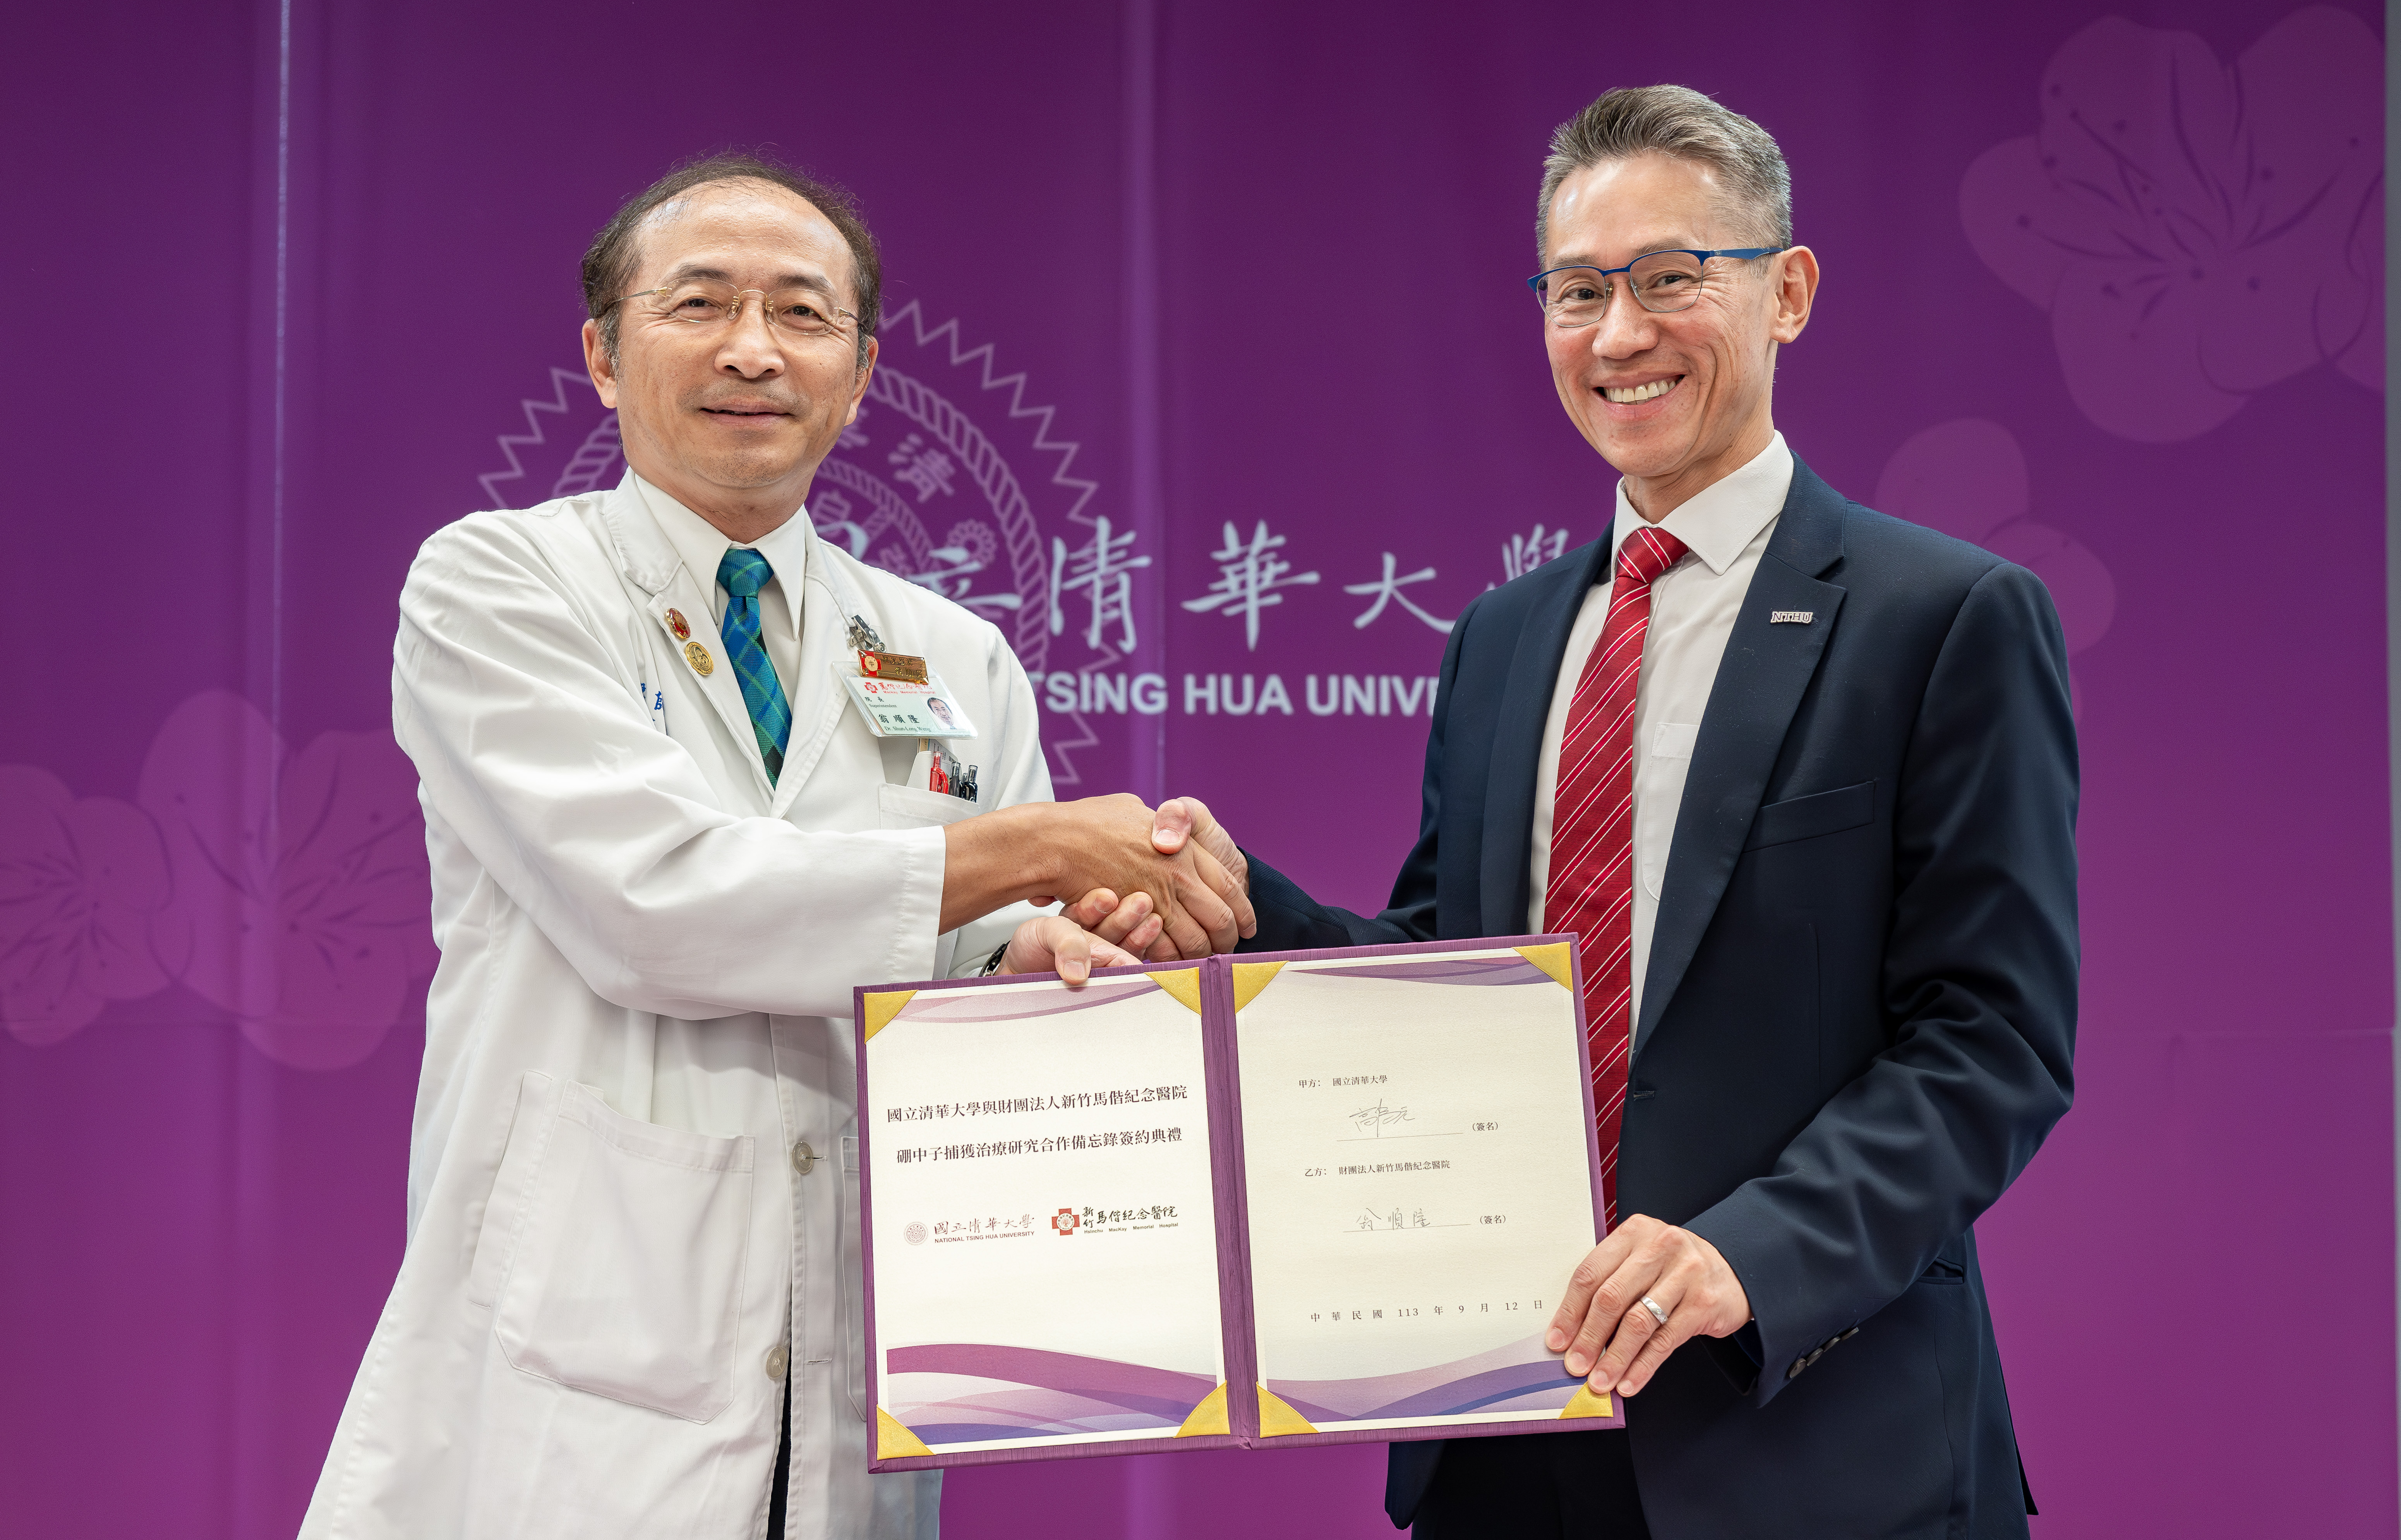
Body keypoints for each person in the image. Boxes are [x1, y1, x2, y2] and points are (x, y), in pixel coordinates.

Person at [1156, 86, 2077, 1537]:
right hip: (1504, 1426)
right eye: (1576, 291)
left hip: (1811, 1437)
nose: (1617, 335)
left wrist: (1747, 1255)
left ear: (1787, 291)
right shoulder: (1505, 638)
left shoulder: (1943, 616)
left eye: (1667, 280)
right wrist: (1231, 907)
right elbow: (1442, 974)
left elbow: (1992, 1039)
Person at [298, 154, 1251, 1540]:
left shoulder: (953, 652)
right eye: (700, 303)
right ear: (603, 355)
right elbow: (654, 906)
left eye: (803, 315)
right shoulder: (499, 583)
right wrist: (1033, 850)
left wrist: (1055, 946)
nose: (754, 348)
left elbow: (977, 956)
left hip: (868, 1343)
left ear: (859, 375)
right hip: (577, 1362)